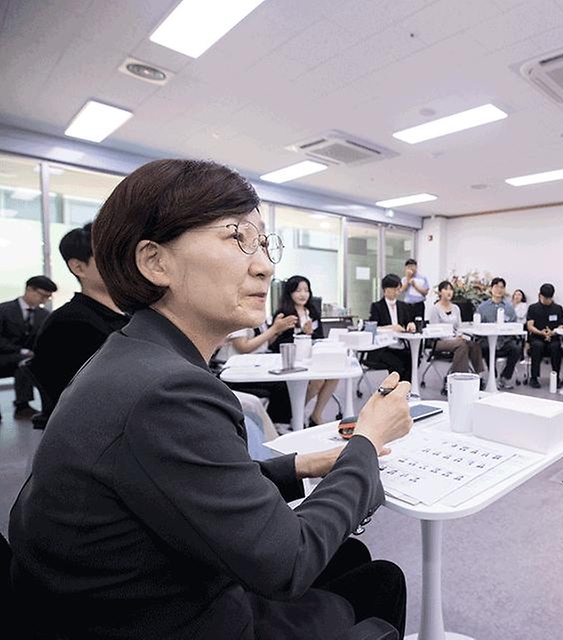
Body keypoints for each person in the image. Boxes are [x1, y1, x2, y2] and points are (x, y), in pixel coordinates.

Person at [8, 159, 411, 639]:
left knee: (351, 557)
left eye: (263, 243)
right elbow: (289, 562)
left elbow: (169, 479)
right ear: (155, 261)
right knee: (381, 582)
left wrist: (297, 465)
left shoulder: (132, 355)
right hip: (165, 619)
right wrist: (366, 439)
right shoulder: (167, 392)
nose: (264, 264)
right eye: (238, 238)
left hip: (108, 597)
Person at [29, 224, 127, 425]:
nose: (123, 262)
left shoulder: (130, 313)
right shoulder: (69, 325)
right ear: (79, 267)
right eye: (109, 254)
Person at [274, 275, 339, 426]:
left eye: (306, 290)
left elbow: (319, 337)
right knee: (318, 380)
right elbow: (279, 344)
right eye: (298, 290)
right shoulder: (283, 313)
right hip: (293, 360)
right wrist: (303, 333)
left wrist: (309, 333)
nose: (303, 294)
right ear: (290, 293)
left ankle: (316, 414)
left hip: (313, 357)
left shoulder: (312, 312)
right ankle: (295, 413)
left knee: (334, 375)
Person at [0, 274, 57, 420]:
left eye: (47, 297)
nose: (44, 300)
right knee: (25, 361)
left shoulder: (44, 315)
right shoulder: (4, 310)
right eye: (42, 296)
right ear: (30, 290)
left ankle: (28, 407)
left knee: (28, 364)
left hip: (27, 358)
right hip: (4, 356)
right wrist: (21, 351)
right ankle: (22, 406)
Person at [427, 281, 486, 379]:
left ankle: (479, 375)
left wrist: (459, 335)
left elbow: (459, 326)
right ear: (440, 292)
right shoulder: (435, 309)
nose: (449, 292)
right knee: (461, 345)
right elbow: (435, 330)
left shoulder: (455, 308)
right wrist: (453, 339)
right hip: (439, 341)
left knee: (473, 344)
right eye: (446, 289)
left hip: (456, 339)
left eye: (451, 289)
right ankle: (458, 378)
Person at [368, 273, 417, 382]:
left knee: (412, 360)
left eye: (399, 289)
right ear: (386, 290)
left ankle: (405, 391)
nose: (398, 292)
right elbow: (373, 328)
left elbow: (409, 321)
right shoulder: (377, 306)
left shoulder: (402, 306)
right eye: (395, 289)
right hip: (382, 348)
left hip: (399, 345)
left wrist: (410, 324)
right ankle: (394, 393)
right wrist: (391, 327)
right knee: (397, 365)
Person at [476, 277, 521, 390]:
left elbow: (514, 326)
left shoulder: (509, 308)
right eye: (496, 287)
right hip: (487, 340)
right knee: (485, 347)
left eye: (501, 287)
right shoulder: (482, 308)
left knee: (516, 348)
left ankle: (505, 377)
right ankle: (493, 376)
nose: (499, 290)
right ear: (491, 289)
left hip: (504, 341)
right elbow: (477, 326)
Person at [525, 283, 563, 389]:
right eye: (545, 298)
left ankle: (556, 377)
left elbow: (561, 325)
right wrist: (540, 332)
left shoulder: (558, 309)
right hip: (537, 337)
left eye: (549, 298)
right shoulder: (533, 308)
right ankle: (534, 377)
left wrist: (554, 332)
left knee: (555, 347)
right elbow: (530, 326)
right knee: (537, 346)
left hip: (553, 337)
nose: (547, 300)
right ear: (539, 295)